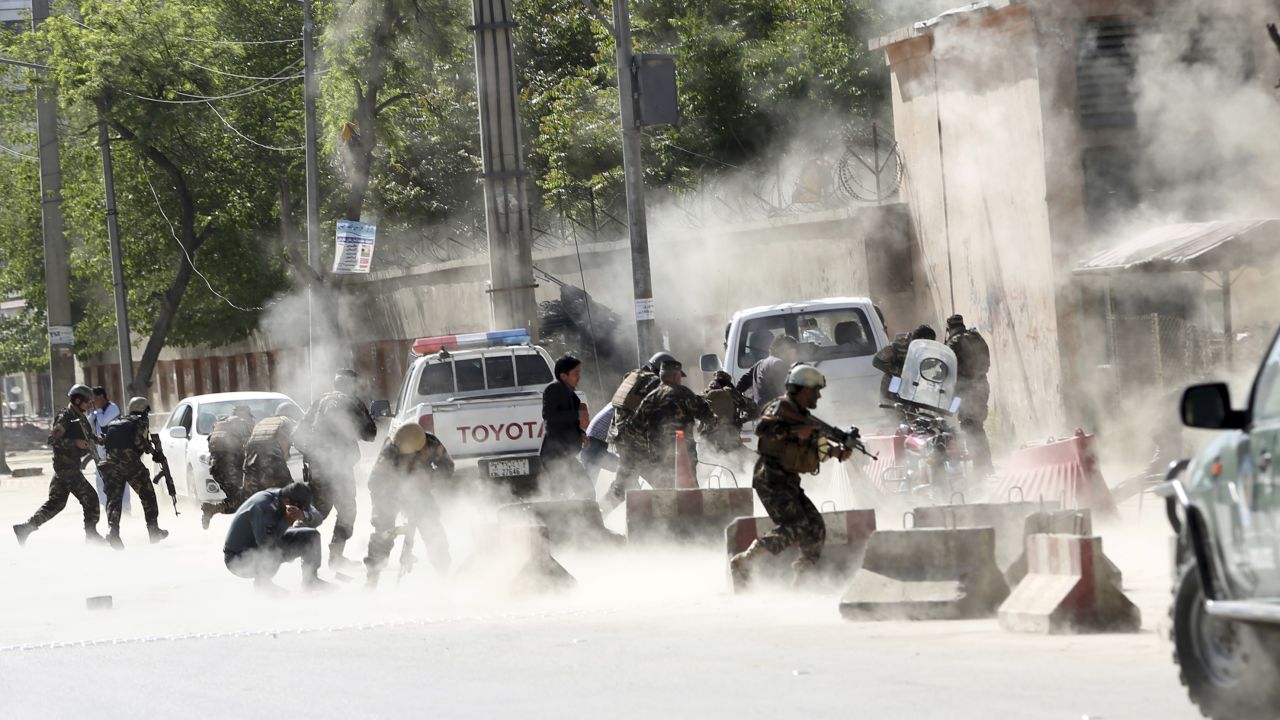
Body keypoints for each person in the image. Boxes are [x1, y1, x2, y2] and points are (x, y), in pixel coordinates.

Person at [730, 365, 854, 586]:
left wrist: (837, 452)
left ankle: (802, 578)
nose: (819, 395)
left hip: (788, 479)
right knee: (795, 524)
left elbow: (812, 449)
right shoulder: (781, 407)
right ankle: (745, 561)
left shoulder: (803, 416)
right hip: (770, 477)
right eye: (815, 390)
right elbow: (762, 429)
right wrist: (794, 431)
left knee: (815, 526)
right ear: (802, 389)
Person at [297, 369, 377, 570]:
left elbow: (298, 433)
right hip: (340, 467)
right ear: (351, 386)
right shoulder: (353, 402)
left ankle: (296, 550)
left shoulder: (319, 401)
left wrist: (313, 454)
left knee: (318, 511)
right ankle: (336, 557)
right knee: (347, 511)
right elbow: (370, 434)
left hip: (318, 467)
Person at [363, 424, 454, 588]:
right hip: (390, 494)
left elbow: (448, 467)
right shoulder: (390, 449)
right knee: (383, 531)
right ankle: (372, 578)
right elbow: (374, 482)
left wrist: (429, 478)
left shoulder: (431, 443)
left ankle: (444, 574)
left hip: (419, 492)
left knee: (432, 528)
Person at [13, 384, 104, 546]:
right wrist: (75, 443)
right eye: (87, 401)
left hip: (66, 469)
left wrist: (97, 439)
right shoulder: (65, 417)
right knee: (91, 499)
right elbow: (53, 440)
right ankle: (91, 535)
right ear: (77, 400)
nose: (90, 405)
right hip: (67, 469)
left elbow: (86, 435)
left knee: (56, 503)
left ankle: (25, 528)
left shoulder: (79, 416)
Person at [223, 481, 330, 594]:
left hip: (262, 544)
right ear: (287, 501)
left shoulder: (289, 496)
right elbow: (266, 543)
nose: (300, 510)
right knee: (273, 550)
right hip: (238, 559)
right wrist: (286, 521)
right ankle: (263, 584)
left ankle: (311, 580)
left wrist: (304, 515)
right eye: (300, 508)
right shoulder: (263, 505)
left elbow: (318, 517)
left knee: (312, 536)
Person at [627, 360, 719, 489]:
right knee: (689, 488)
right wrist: (713, 424)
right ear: (676, 376)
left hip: (658, 455)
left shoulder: (650, 398)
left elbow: (633, 428)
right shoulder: (684, 394)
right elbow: (707, 415)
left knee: (664, 491)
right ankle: (691, 508)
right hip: (684, 454)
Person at [602, 352, 672, 510]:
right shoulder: (653, 382)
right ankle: (668, 518)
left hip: (621, 437)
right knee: (663, 480)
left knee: (623, 484)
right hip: (635, 440)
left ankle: (600, 513)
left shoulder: (634, 376)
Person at [100, 397, 168, 549]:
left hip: (110, 465)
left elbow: (106, 442)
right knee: (148, 495)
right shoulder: (140, 421)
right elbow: (139, 441)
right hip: (130, 464)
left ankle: (113, 532)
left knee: (114, 499)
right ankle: (153, 530)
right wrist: (153, 452)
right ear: (144, 409)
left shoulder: (117, 421)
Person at [537, 355, 592, 499]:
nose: (578, 377)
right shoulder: (553, 389)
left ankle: (576, 518)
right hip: (554, 455)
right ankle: (557, 520)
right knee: (561, 494)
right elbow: (549, 415)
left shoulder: (571, 394)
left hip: (565, 454)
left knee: (584, 490)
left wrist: (580, 433)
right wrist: (577, 415)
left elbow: (568, 423)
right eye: (575, 373)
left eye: (579, 373)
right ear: (563, 375)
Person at [945, 314, 993, 477]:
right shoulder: (976, 337)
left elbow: (948, 369)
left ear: (949, 328)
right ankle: (986, 465)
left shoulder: (953, 343)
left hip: (965, 390)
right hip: (982, 385)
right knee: (977, 425)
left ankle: (980, 468)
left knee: (969, 426)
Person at [200, 405, 256, 529]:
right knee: (243, 500)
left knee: (237, 500)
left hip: (217, 468)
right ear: (244, 414)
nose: (252, 420)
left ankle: (213, 509)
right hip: (230, 468)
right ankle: (212, 509)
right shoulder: (241, 424)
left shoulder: (220, 423)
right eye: (250, 416)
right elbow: (249, 449)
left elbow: (210, 443)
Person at [238, 402, 300, 504]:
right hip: (272, 461)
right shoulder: (286, 422)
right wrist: (284, 460)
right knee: (290, 493)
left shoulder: (263, 422)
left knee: (251, 498)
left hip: (250, 461)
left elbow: (250, 444)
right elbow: (285, 444)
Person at [88, 386, 127, 513]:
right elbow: (87, 425)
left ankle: (126, 509)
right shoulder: (96, 411)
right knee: (100, 481)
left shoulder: (112, 408)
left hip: (116, 451)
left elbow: (104, 422)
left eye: (93, 399)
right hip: (101, 452)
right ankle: (107, 509)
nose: (91, 402)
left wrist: (97, 411)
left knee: (121, 482)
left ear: (100, 397)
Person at [873, 323, 936, 402]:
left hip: (912, 390)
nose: (927, 346)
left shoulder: (927, 352)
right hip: (893, 387)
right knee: (893, 411)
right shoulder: (899, 345)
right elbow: (877, 361)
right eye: (926, 343)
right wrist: (900, 371)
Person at [702, 370, 760, 453]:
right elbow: (755, 410)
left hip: (707, 446)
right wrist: (742, 420)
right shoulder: (730, 394)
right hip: (731, 443)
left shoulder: (704, 395)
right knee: (754, 459)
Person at [736, 335, 799, 406]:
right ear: (785, 350)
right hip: (773, 412)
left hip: (759, 412)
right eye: (794, 352)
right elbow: (784, 391)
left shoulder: (759, 363)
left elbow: (742, 383)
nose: (795, 355)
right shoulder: (778, 364)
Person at [580, 405, 619, 486]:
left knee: (588, 486)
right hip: (594, 447)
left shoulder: (614, 406)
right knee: (624, 468)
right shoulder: (618, 409)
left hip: (592, 446)